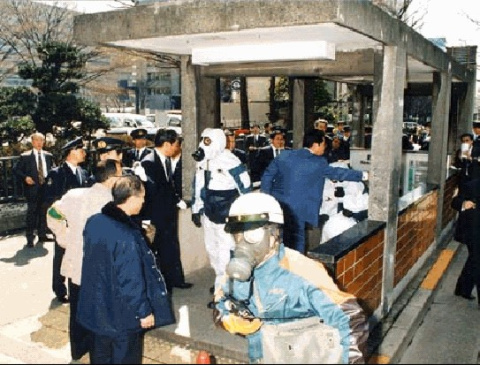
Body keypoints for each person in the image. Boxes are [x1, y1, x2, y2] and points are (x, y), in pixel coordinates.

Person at [213, 192, 369, 364]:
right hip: (264, 356)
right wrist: (228, 320)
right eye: (238, 234)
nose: (243, 243)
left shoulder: (301, 270)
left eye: (252, 234)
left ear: (274, 235)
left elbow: (350, 318)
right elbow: (220, 305)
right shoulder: (233, 275)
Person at [77, 175, 175, 364]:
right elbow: (131, 279)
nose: (144, 201)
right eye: (142, 197)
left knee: (100, 356)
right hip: (121, 315)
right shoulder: (127, 236)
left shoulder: (94, 221)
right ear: (131, 198)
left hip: (97, 309)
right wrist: (144, 312)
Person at [46, 159, 122, 362]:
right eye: (120, 174)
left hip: (75, 265)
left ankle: (78, 352)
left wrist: (64, 238)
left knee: (77, 311)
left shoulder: (74, 195)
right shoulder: (113, 203)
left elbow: (52, 214)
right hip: (101, 269)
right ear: (112, 179)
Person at [261, 129, 368, 254]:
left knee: (276, 241)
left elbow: (267, 177)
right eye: (323, 144)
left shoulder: (284, 155)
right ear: (316, 145)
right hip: (298, 211)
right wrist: (364, 175)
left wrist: (267, 200)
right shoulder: (319, 162)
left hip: (277, 208)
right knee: (297, 246)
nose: (324, 148)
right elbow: (339, 173)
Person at [191, 128, 252, 308]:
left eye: (208, 141)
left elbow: (245, 189)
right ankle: (220, 280)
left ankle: (225, 292)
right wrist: (196, 209)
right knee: (213, 251)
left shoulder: (231, 162)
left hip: (227, 215)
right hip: (209, 215)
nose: (204, 144)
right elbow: (198, 186)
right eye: (203, 140)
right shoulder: (203, 163)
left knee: (226, 253)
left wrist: (243, 216)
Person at [141, 129, 192, 292]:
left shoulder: (167, 160)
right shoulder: (149, 162)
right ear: (167, 144)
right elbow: (155, 190)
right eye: (175, 144)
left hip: (169, 211)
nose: (177, 148)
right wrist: (176, 200)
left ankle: (176, 279)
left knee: (171, 245)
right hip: (157, 213)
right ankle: (164, 284)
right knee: (160, 247)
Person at [44, 136, 88, 304]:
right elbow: (50, 202)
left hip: (80, 223)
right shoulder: (57, 174)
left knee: (76, 257)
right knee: (61, 256)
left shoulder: (84, 173)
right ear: (70, 153)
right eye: (80, 150)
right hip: (65, 224)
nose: (83, 153)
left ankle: (76, 287)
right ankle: (59, 288)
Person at [13, 132, 55, 247]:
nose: (39, 143)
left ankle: (42, 235)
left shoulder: (48, 156)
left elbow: (53, 170)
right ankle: (30, 238)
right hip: (32, 188)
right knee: (32, 213)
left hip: (45, 188)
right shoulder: (25, 156)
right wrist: (25, 177)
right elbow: (16, 170)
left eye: (41, 140)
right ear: (32, 142)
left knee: (44, 212)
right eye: (37, 140)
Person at [451, 177, 480, 304]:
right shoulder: (471, 185)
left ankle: (463, 288)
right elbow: (455, 202)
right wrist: (464, 204)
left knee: (474, 260)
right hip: (473, 231)